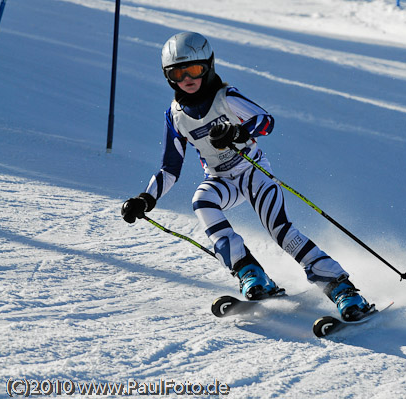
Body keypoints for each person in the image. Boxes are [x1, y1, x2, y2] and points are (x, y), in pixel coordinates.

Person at [121, 32, 374, 321]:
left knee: (281, 232)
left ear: (209, 66)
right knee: (202, 201)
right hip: (221, 180)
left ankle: (342, 288)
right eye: (177, 73)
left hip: (253, 171)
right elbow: (170, 168)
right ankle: (249, 271)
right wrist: (145, 200)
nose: (186, 78)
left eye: (194, 69)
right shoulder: (175, 115)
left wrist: (238, 132)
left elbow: (265, 121)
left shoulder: (225, 97)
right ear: (168, 77)